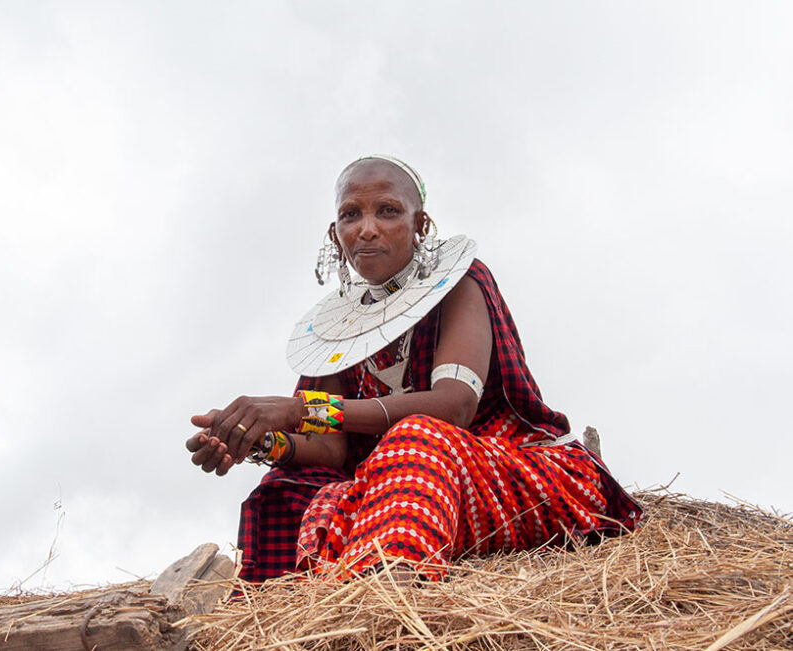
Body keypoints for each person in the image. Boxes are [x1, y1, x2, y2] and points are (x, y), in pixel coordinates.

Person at [186, 155, 640, 582]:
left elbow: (455, 406)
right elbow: (331, 453)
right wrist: (259, 438)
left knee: (414, 439)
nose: (366, 229)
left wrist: (303, 409)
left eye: (387, 211)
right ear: (334, 234)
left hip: (503, 477)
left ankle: (391, 595)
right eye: (351, 216)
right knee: (284, 494)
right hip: (404, 487)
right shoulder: (335, 332)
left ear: (419, 224)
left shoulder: (461, 285)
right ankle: (329, 607)